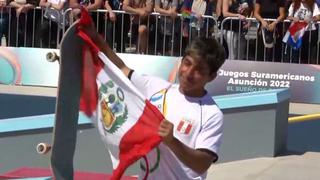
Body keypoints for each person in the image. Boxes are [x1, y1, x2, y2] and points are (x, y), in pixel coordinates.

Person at [80, 19, 226, 179]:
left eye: (199, 70)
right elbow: (121, 68)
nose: (189, 72)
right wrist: (95, 37)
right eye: (187, 63)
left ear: (211, 76)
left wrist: (172, 141)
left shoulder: (211, 114)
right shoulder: (157, 87)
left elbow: (202, 164)